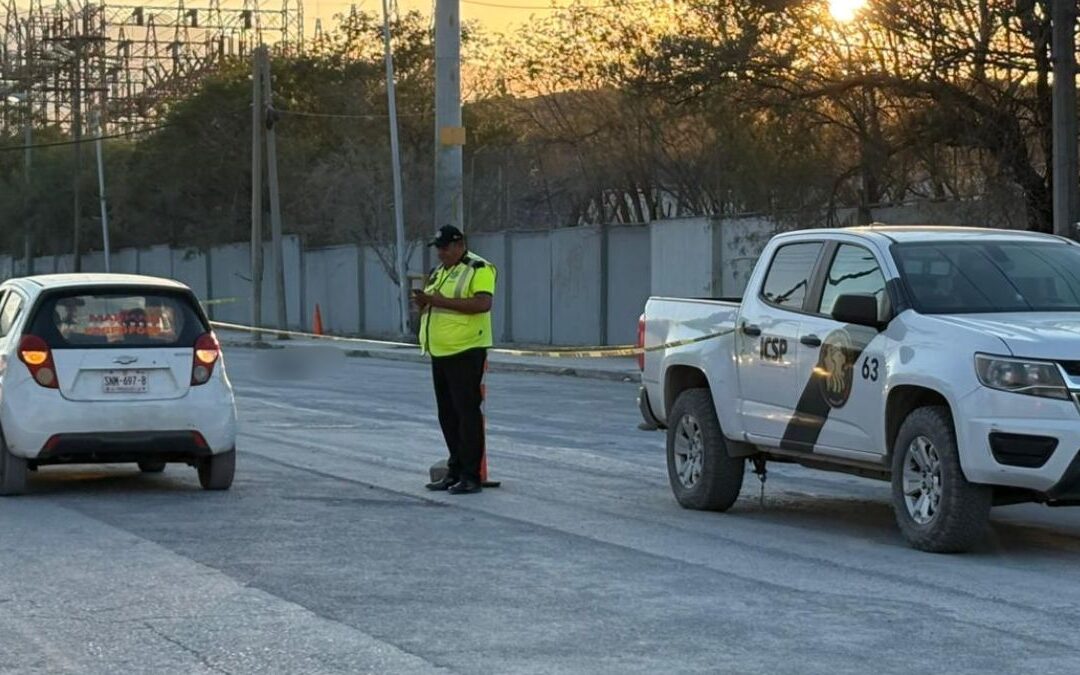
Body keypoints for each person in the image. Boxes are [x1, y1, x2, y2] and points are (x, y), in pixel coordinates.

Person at [413, 225, 497, 495]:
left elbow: (483, 304)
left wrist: (438, 301)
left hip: (466, 349)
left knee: (467, 414)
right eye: (438, 248)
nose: (441, 253)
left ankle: (471, 475)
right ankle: (456, 470)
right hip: (440, 351)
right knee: (447, 415)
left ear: (460, 245)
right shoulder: (440, 271)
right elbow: (436, 303)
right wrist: (424, 303)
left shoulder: (478, 268)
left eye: (445, 247)